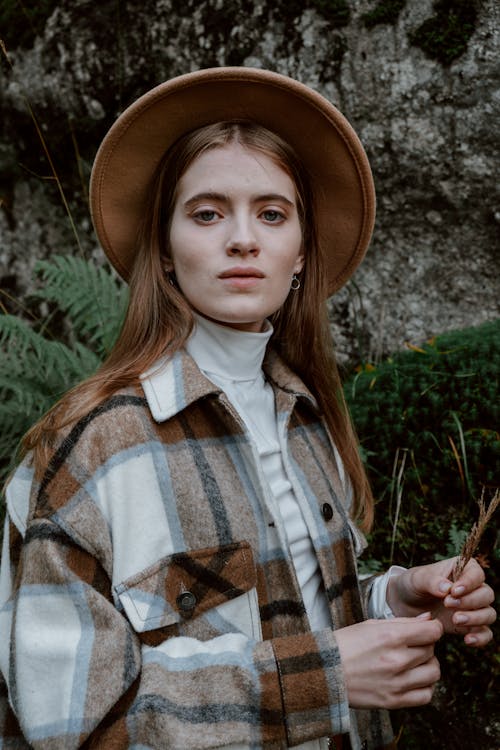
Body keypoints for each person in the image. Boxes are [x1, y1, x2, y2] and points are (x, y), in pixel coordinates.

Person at [0, 67, 495, 750]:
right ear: (166, 253)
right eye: (206, 213)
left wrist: (394, 596)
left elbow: (294, 606)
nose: (242, 239)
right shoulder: (93, 447)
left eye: (272, 213)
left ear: (299, 254)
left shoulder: (307, 417)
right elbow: (68, 721)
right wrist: (322, 678)